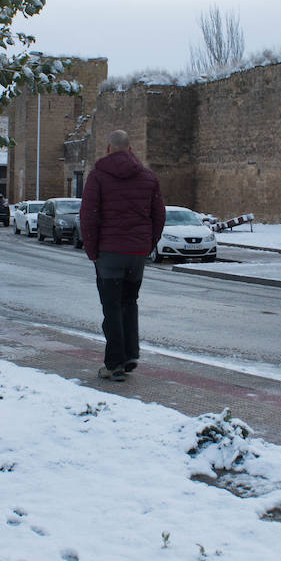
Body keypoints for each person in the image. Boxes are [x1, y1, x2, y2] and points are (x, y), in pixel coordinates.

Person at [79, 129, 165, 382]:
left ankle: (114, 363)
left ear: (108, 148)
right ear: (130, 149)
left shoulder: (97, 177)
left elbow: (89, 215)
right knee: (130, 302)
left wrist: (92, 251)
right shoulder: (149, 177)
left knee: (112, 308)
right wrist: (148, 243)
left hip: (109, 252)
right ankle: (130, 354)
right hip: (136, 253)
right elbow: (158, 215)